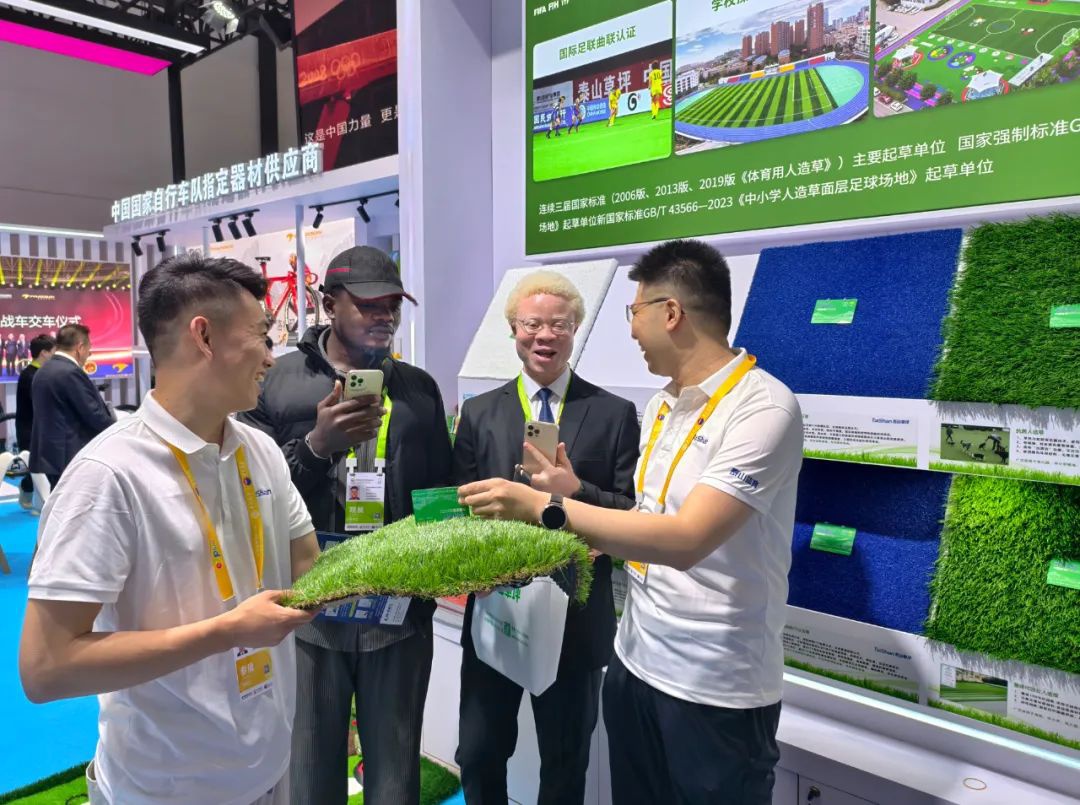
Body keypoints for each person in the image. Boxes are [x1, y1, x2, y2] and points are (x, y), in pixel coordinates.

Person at [460, 239, 804, 805]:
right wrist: (574, 491)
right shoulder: (662, 406)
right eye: (532, 324)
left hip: (713, 685)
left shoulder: (762, 409)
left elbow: (687, 538)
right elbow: (643, 517)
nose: (631, 329)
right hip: (635, 662)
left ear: (671, 313)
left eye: (634, 311)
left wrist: (546, 508)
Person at [19, 253, 320, 805]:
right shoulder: (107, 476)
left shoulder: (261, 450)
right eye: (261, 336)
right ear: (203, 337)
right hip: (164, 789)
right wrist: (225, 631)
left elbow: (308, 568)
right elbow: (45, 669)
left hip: (268, 769)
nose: (270, 357)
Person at [240, 245, 452, 805]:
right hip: (307, 608)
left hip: (398, 606)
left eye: (393, 305)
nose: (385, 316)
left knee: (396, 775)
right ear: (329, 304)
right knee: (309, 773)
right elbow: (248, 495)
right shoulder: (275, 382)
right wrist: (317, 445)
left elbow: (439, 489)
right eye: (369, 305)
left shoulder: (419, 388)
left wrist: (439, 572)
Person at [453, 271, 640, 804]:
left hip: (575, 619)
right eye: (532, 324)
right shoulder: (480, 412)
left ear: (576, 329)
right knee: (480, 752)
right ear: (513, 329)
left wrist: (575, 492)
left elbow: (630, 513)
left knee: (565, 761)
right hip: (494, 607)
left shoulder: (614, 414)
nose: (545, 336)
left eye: (559, 324)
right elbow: (457, 504)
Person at [28, 324, 114, 489]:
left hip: (52, 455)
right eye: (89, 349)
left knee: (60, 499)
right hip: (70, 455)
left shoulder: (44, 370)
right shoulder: (69, 372)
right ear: (80, 348)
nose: (89, 354)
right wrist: (119, 429)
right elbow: (93, 415)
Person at [15, 334, 56, 510]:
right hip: (30, 429)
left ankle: (34, 495)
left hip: (44, 428)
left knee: (43, 467)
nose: (56, 354)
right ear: (44, 353)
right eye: (54, 351)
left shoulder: (45, 373)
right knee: (36, 468)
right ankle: (37, 501)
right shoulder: (29, 375)